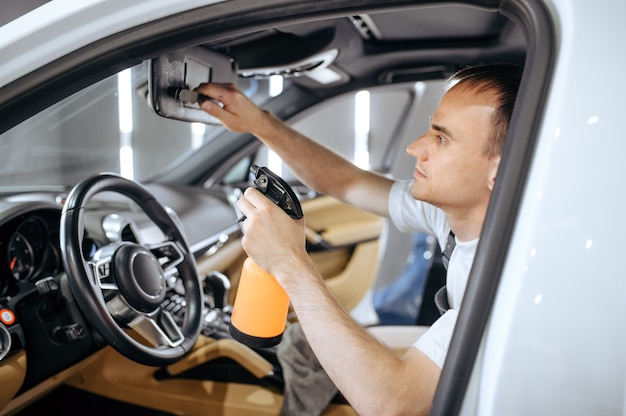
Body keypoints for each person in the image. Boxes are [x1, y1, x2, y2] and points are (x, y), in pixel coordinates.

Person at [197, 63, 522, 416]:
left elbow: (392, 405)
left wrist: (289, 262)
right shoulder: (462, 217)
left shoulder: (506, 282)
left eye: (441, 139)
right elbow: (346, 182)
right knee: (304, 347)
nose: (415, 147)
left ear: (499, 170)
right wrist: (258, 122)